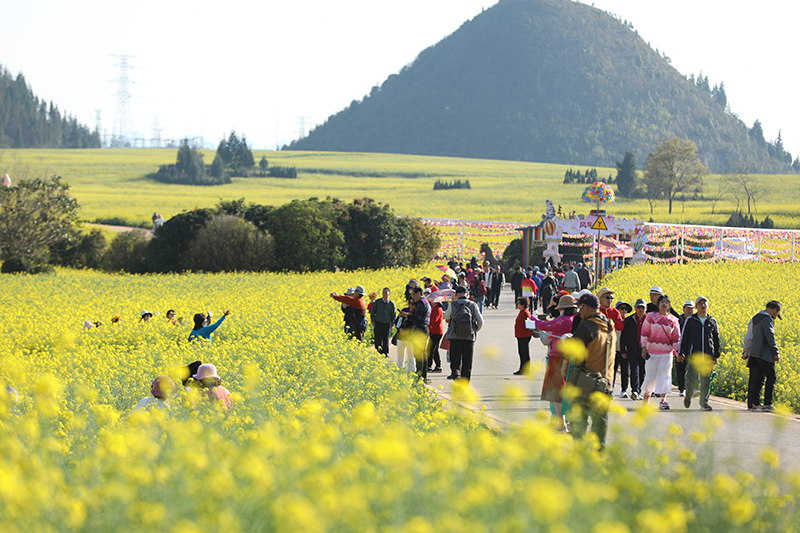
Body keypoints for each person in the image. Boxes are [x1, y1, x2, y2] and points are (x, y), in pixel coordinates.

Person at [569, 294, 616, 447]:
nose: (579, 312)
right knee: (600, 421)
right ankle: (598, 453)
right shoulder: (609, 325)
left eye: (580, 308)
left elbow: (574, 352)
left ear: (587, 308)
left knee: (579, 420)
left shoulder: (586, 326)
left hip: (586, 380)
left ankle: (580, 454)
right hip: (606, 381)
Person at [533, 294, 577, 431]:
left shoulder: (563, 320)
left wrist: (534, 318)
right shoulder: (576, 319)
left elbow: (543, 326)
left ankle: (561, 422)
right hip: (572, 356)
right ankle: (571, 421)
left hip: (557, 357)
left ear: (562, 308)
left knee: (555, 391)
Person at [680, 296, 720, 411]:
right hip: (694, 356)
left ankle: (704, 403)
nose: (702, 306)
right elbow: (684, 337)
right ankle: (688, 396)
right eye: (700, 304)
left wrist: (716, 355)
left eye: (704, 303)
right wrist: (681, 352)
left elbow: (716, 339)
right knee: (691, 379)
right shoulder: (691, 320)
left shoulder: (712, 321)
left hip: (708, 356)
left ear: (708, 306)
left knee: (705, 382)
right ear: (696, 306)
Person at [641, 295, 681, 410]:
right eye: (662, 302)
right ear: (657, 304)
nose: (664, 304)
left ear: (669, 305)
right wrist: (644, 347)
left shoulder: (674, 320)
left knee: (665, 376)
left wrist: (677, 352)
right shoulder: (650, 317)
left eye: (666, 302)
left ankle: (663, 400)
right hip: (652, 352)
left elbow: (676, 338)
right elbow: (644, 333)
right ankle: (648, 393)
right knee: (650, 375)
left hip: (666, 353)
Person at [743, 300, 782, 412]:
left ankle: (754, 403)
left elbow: (748, 336)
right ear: (774, 309)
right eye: (777, 314)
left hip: (754, 353)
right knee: (771, 377)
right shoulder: (767, 319)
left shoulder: (755, 318)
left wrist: (746, 351)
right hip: (764, 353)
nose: (776, 317)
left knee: (757, 378)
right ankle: (767, 404)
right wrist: (776, 352)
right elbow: (770, 336)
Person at [443, 285, 484, 382]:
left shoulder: (453, 304)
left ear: (456, 294)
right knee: (467, 361)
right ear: (467, 294)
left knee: (454, 360)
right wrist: (474, 330)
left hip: (454, 337)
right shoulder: (473, 305)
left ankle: (456, 374)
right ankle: (465, 383)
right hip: (469, 338)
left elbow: (446, 316)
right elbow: (480, 321)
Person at [620, 299, 647, 400]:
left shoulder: (649, 320)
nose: (640, 309)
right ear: (635, 308)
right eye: (638, 307)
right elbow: (623, 337)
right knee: (634, 370)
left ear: (646, 308)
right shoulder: (629, 320)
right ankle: (635, 390)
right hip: (632, 348)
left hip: (644, 348)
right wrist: (623, 350)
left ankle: (639, 390)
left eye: (642, 307)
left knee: (643, 371)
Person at [408, 287, 431, 381]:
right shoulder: (426, 302)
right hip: (425, 329)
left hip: (419, 329)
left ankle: (419, 375)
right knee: (424, 353)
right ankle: (424, 375)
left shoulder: (421, 303)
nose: (413, 297)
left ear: (418, 293)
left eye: (413, 294)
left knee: (418, 354)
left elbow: (417, 317)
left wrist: (408, 315)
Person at [676, 300, 696, 397]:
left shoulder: (695, 320)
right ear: (683, 309)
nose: (690, 311)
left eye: (691, 309)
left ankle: (691, 388)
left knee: (692, 369)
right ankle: (682, 388)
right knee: (680, 369)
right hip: (680, 347)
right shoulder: (678, 319)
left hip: (692, 348)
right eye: (687, 308)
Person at [613, 301, 632, 398]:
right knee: (613, 370)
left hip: (624, 350)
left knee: (625, 371)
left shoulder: (628, 322)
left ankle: (624, 390)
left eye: (626, 309)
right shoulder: (613, 321)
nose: (624, 311)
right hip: (614, 349)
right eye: (622, 309)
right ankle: (611, 389)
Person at [370, 287, 396, 357]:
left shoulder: (391, 304)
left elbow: (393, 315)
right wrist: (373, 321)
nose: (384, 294)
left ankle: (385, 353)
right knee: (377, 338)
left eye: (386, 292)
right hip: (378, 323)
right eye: (383, 292)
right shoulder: (377, 302)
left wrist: (392, 324)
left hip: (387, 324)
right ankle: (378, 352)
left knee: (386, 339)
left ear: (389, 294)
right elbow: (373, 312)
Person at [513, 297, 533, 376]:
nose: (517, 304)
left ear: (523, 305)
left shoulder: (525, 312)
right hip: (520, 334)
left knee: (524, 352)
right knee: (521, 352)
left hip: (524, 335)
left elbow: (528, 323)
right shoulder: (522, 311)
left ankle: (525, 369)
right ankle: (522, 368)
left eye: (519, 303)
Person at [396, 301, 416, 373]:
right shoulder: (404, 310)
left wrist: (408, 331)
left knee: (411, 357)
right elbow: (397, 321)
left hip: (410, 338)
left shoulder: (416, 313)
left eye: (413, 304)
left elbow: (416, 324)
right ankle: (400, 372)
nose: (411, 305)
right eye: (410, 304)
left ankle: (412, 373)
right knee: (400, 357)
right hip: (401, 337)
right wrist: (399, 329)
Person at [428, 300, 445, 373]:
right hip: (435, 331)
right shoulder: (435, 308)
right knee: (434, 350)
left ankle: (429, 366)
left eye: (433, 301)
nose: (432, 302)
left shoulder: (438, 309)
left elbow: (434, 319)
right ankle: (438, 366)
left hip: (436, 331)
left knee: (431, 349)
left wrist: (428, 315)